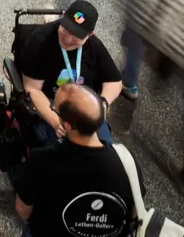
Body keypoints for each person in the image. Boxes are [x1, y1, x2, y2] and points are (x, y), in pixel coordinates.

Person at [15, 84, 141, 237]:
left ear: (67, 126)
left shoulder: (41, 160)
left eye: (55, 109)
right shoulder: (127, 161)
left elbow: (23, 211)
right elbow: (136, 214)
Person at [15, 0, 123, 140]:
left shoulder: (93, 46)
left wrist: (102, 104)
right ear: (63, 17)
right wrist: (56, 122)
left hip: (84, 103)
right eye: (66, 28)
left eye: (76, 35)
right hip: (51, 102)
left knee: (104, 144)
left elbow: (114, 81)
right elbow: (33, 89)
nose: (68, 38)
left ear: (90, 35)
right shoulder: (40, 41)